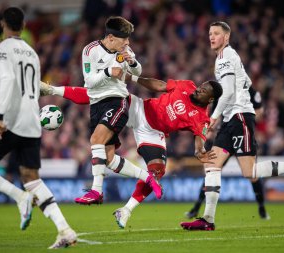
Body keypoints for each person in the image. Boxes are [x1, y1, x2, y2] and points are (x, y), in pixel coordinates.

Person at [180, 21, 284, 231]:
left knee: (250, 172)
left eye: (217, 34)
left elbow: (228, 92)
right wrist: (249, 101)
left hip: (238, 118)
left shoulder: (224, 59)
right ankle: (207, 220)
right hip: (232, 119)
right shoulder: (230, 56)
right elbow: (246, 82)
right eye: (210, 33)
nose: (211, 37)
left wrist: (213, 117)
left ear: (226, 37)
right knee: (212, 165)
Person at [40, 74, 222, 228]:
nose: (199, 89)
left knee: (157, 171)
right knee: (105, 95)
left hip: (153, 132)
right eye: (201, 86)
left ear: (211, 99)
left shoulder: (201, 119)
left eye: (204, 90)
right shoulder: (186, 86)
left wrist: (200, 152)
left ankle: (125, 210)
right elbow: (159, 85)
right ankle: (52, 90)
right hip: (140, 108)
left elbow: (200, 141)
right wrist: (133, 77)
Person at [0, 7, 76, 249]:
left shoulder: (0, 49)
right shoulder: (32, 52)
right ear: (23, 26)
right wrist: (3, 105)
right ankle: (65, 230)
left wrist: (1, 115)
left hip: (12, 121)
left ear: (3, 24)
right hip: (32, 120)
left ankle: (20, 197)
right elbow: (31, 88)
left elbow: (7, 80)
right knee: (31, 178)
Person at [74, 16, 163, 205]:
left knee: (95, 140)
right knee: (108, 159)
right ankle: (147, 177)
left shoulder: (125, 50)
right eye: (124, 39)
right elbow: (88, 81)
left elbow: (138, 71)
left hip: (117, 101)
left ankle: (96, 192)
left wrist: (131, 62)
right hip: (96, 104)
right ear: (111, 38)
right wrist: (108, 72)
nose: (128, 43)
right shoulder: (90, 50)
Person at [185, 87, 270, 220]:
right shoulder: (223, 91)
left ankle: (261, 207)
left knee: (251, 173)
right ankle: (197, 208)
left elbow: (259, 112)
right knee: (211, 169)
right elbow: (215, 115)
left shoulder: (250, 91)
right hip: (226, 136)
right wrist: (211, 129)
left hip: (242, 134)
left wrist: (246, 121)